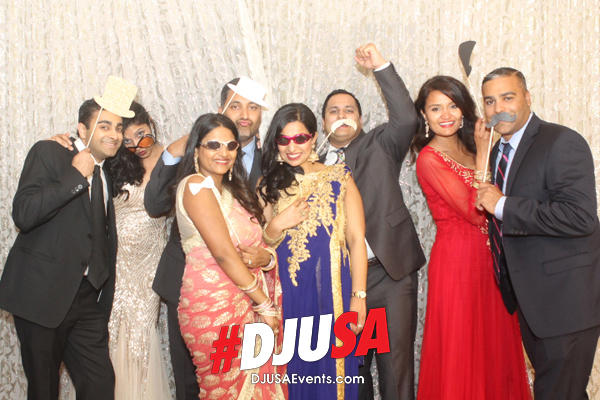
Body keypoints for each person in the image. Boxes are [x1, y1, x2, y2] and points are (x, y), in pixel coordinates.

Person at [0, 76, 137, 400]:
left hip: (87, 299)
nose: (114, 134)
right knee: (44, 390)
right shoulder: (49, 152)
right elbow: (24, 214)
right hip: (41, 296)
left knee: (100, 385)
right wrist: (76, 174)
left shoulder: (105, 172)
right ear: (82, 130)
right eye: (104, 126)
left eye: (119, 128)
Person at [475, 67, 600, 400]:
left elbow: (580, 217)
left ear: (528, 98)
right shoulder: (498, 152)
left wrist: (503, 205)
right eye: (489, 101)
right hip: (533, 303)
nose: (498, 108)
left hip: (567, 303)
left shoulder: (560, 141)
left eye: (508, 97)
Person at [145, 76, 271, 400]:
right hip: (204, 297)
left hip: (247, 297)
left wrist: (268, 259)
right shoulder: (195, 177)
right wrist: (181, 146)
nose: (244, 114)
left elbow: (264, 234)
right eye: (236, 105)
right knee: (205, 386)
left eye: (253, 107)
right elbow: (155, 205)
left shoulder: (265, 164)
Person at [410, 75, 531, 399]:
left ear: (464, 109)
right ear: (423, 114)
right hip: (458, 264)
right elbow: (476, 212)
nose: (445, 115)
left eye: (452, 105)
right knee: (462, 350)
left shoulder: (472, 146)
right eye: (435, 108)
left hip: (494, 260)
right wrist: (482, 157)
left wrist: (481, 152)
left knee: (495, 347)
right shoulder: (429, 158)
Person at [320, 44, 425, 400]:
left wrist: (380, 66)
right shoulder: (313, 164)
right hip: (342, 281)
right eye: (333, 111)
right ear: (323, 123)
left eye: (349, 109)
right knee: (353, 371)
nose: (341, 115)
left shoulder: (381, 144)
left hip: (390, 273)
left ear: (361, 120)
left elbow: (407, 119)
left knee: (395, 371)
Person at [258, 103, 368, 400]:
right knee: (295, 373)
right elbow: (262, 248)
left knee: (334, 371)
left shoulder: (340, 177)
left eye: (300, 138)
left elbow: (357, 239)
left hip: (334, 295)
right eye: (284, 140)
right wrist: (277, 224)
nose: (292, 147)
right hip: (289, 297)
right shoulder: (268, 185)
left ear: (314, 137)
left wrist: (359, 296)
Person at [174, 113, 284, 399]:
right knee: (222, 390)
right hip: (213, 306)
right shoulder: (195, 186)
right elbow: (223, 254)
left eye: (231, 145)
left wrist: (267, 259)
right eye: (213, 145)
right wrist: (265, 304)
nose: (223, 152)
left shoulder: (236, 192)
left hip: (248, 299)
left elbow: (258, 244)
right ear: (196, 149)